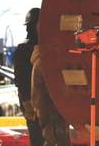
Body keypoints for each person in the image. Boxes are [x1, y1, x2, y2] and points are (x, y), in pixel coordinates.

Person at [30, 11, 71, 146]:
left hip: (46, 111)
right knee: (56, 140)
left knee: (52, 139)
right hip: (51, 111)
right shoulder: (44, 63)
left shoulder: (40, 60)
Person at [13, 8, 44, 146]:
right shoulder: (24, 49)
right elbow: (21, 80)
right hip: (32, 101)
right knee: (37, 137)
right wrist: (27, 103)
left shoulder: (44, 47)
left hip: (44, 102)